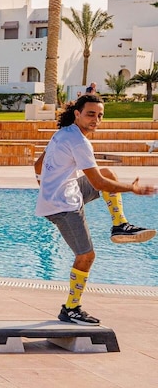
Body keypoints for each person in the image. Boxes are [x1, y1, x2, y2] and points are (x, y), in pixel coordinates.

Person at [34, 94, 156, 325]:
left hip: (62, 194)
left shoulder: (64, 133)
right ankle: (71, 309)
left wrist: (46, 187)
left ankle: (120, 224)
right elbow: (99, 184)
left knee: (108, 172)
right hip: (63, 205)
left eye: (100, 115)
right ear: (77, 114)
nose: (96, 120)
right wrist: (133, 189)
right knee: (86, 256)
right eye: (91, 114)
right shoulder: (79, 142)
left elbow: (37, 165)